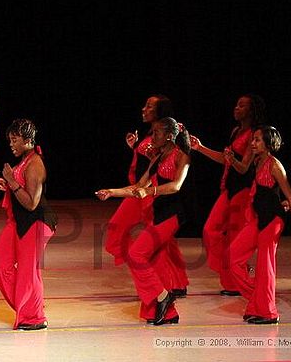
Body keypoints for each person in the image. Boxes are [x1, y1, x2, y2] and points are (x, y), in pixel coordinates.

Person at [96, 117, 191, 325]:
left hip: (172, 215)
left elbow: (176, 186)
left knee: (136, 254)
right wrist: (112, 192)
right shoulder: (157, 158)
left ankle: (163, 295)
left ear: (169, 135)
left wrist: (149, 191)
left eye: (156, 132)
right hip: (158, 214)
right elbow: (138, 185)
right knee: (155, 262)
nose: (152, 136)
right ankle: (168, 313)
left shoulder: (181, 155)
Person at [190, 94, 266, 295]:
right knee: (210, 230)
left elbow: (243, 168)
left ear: (252, 111)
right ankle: (236, 270)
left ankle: (236, 283)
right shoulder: (235, 131)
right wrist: (200, 148)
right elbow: (226, 160)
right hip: (229, 188)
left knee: (233, 236)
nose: (236, 108)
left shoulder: (253, 134)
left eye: (242, 106)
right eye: (237, 104)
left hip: (243, 189)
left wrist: (231, 158)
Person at [228, 125, 291, 324]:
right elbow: (242, 168)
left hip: (273, 220)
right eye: (252, 139)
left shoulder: (275, 165)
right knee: (234, 254)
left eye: (257, 140)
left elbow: (290, 197)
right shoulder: (257, 161)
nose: (252, 143)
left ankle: (268, 312)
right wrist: (231, 159)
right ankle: (259, 297)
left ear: (268, 143)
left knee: (265, 266)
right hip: (259, 218)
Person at [0, 119, 57, 331]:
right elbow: (22, 190)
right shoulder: (25, 160)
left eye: (15, 139)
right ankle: (29, 306)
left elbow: (32, 204)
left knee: (29, 272)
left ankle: (35, 317)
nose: (11, 144)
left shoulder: (35, 163)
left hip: (36, 222)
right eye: (10, 139)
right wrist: (9, 186)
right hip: (19, 221)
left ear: (28, 140)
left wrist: (11, 182)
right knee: (0, 264)